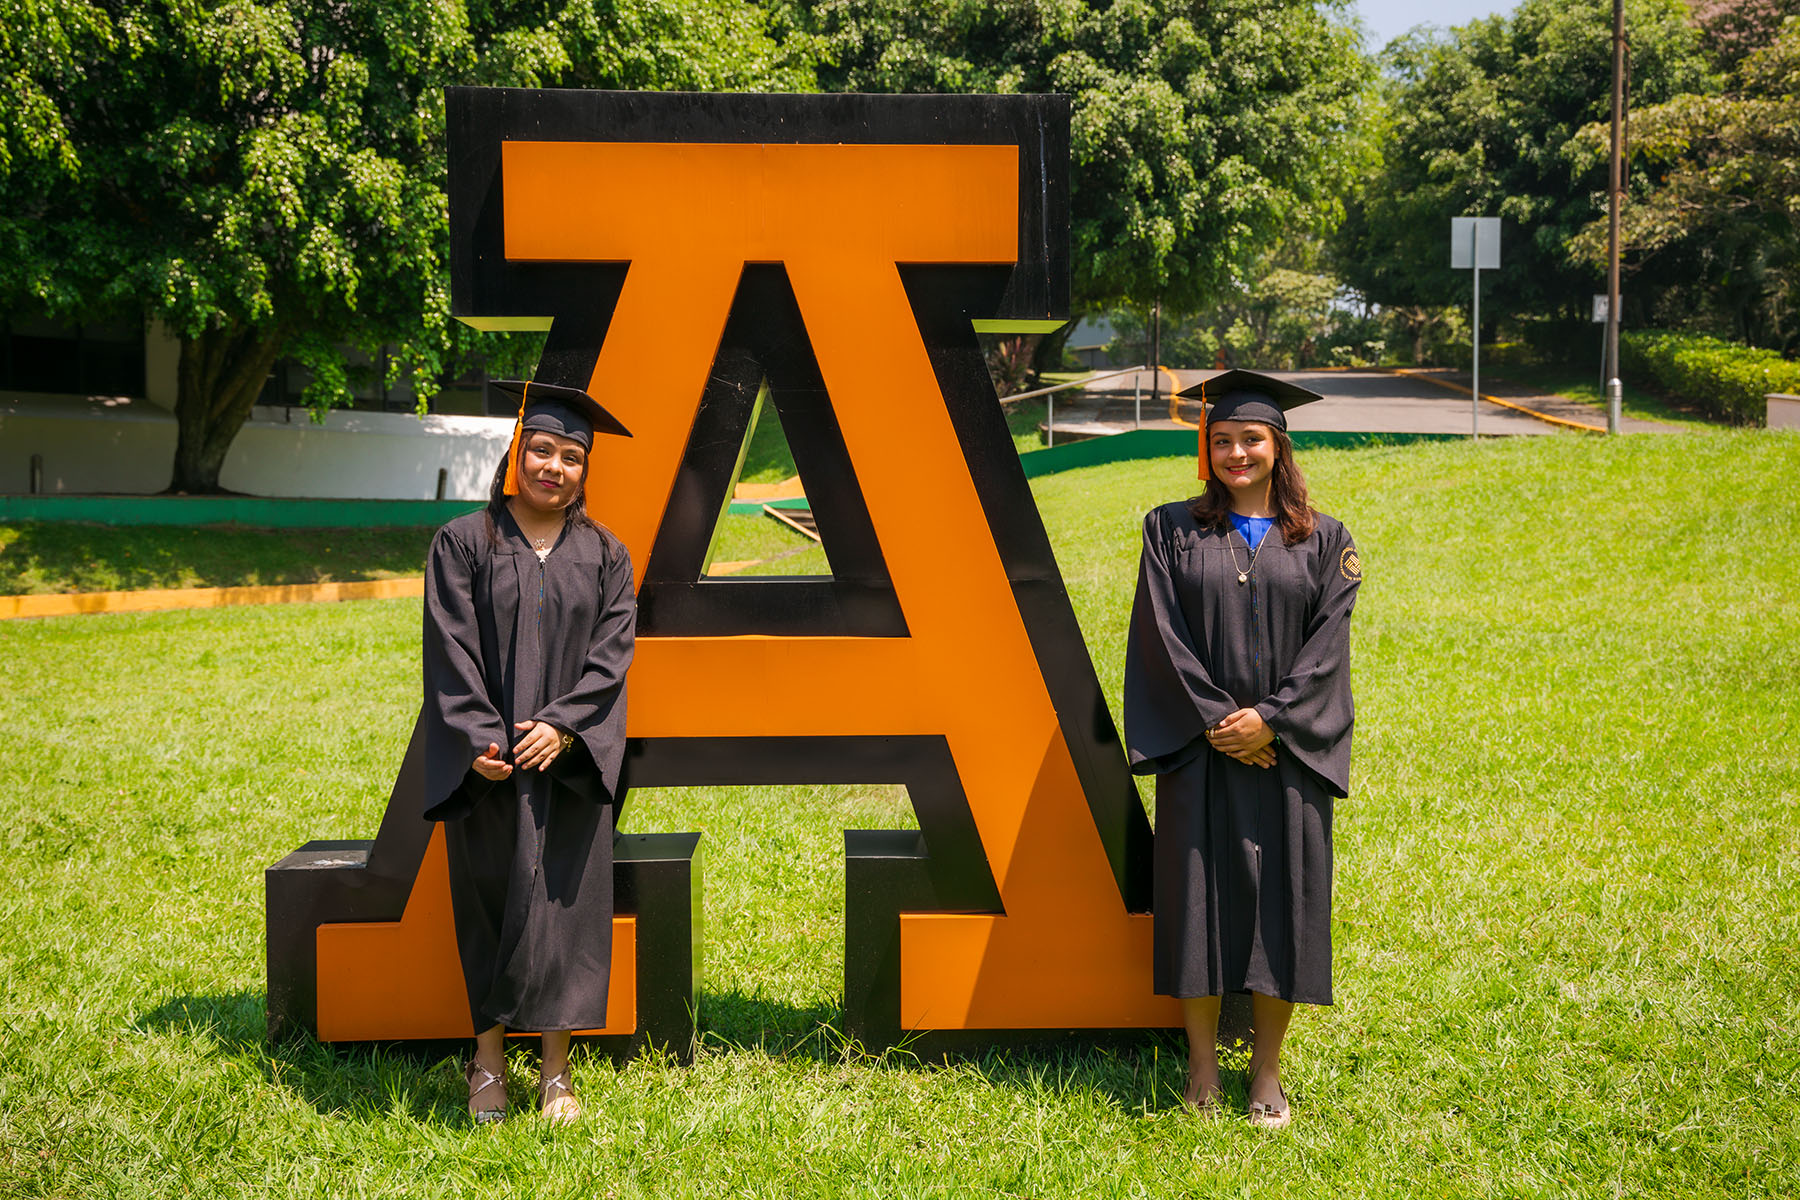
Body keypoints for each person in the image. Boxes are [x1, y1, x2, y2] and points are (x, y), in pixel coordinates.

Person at [1123, 370, 1361, 1128]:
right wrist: (1223, 724)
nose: (1236, 453)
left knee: (1282, 910)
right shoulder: (1169, 529)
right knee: (1195, 907)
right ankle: (1201, 1067)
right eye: (1221, 440)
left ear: (1278, 446)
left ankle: (1265, 1073)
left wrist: (1275, 721)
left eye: (1250, 440)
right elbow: (1160, 635)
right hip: (1200, 751)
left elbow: (1328, 648)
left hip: (1287, 756)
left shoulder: (1326, 541)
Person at [420, 379, 636, 1125]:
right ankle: (486, 1064)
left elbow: (611, 659)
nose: (553, 466)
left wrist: (568, 725)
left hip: (566, 765)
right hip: (491, 764)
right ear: (518, 451)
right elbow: (449, 647)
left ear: (584, 469)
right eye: (541, 449)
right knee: (487, 903)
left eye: (570, 456)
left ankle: (555, 1073)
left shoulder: (607, 555)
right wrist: (481, 735)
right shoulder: (463, 543)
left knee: (567, 911)